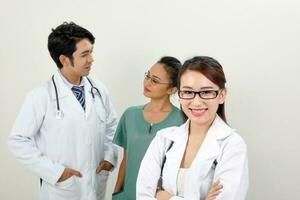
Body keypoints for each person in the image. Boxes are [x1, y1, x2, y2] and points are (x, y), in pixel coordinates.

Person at [7, 22, 117, 200]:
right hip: (62, 189)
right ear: (64, 59)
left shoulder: (98, 89)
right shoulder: (40, 96)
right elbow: (18, 141)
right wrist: (56, 172)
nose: (91, 59)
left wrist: (109, 158)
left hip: (95, 184)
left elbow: (112, 126)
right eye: (85, 54)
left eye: (91, 51)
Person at [137, 56, 249, 199]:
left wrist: (164, 196)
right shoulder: (163, 138)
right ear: (179, 94)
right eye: (188, 92)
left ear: (222, 95)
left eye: (206, 92)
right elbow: (143, 195)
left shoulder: (232, 145)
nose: (196, 102)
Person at [112, 57, 186, 200]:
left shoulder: (182, 121)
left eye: (155, 80)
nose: (147, 82)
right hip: (127, 196)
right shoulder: (130, 115)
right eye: (147, 76)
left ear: (172, 89)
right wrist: (116, 194)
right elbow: (126, 160)